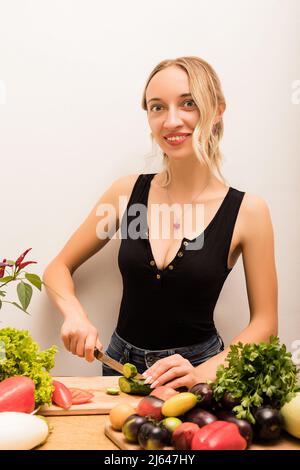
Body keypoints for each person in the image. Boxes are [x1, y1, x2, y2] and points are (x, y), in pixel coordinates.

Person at [43, 56, 278, 389]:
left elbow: (265, 326)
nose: (171, 121)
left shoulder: (248, 212)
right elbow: (57, 269)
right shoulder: (126, 193)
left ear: (218, 111)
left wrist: (201, 373)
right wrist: (74, 313)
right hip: (119, 368)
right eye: (157, 107)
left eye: (188, 104)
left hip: (199, 372)